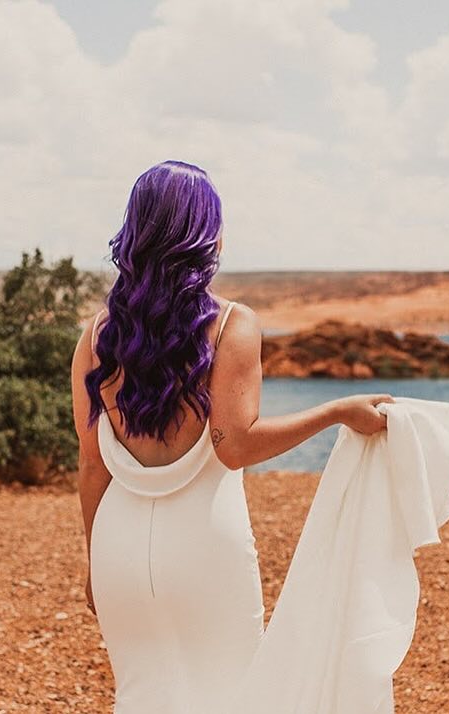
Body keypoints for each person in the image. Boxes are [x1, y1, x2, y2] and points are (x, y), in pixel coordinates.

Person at [69, 160, 393, 712]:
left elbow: (93, 466)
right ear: (204, 236)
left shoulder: (97, 336)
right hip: (204, 545)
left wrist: (95, 562)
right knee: (233, 697)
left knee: (141, 698)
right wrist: (338, 411)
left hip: (118, 548)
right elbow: (235, 443)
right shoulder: (230, 325)